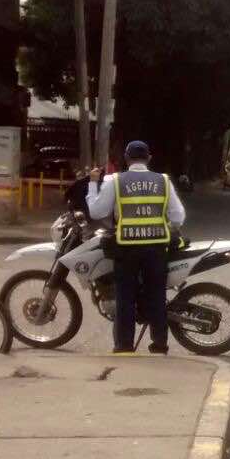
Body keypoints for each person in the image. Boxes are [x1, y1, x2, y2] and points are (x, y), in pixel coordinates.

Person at [86, 141, 186, 354]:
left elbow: (96, 212)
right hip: (156, 249)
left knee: (125, 298)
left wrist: (93, 183)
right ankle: (160, 344)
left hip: (126, 249)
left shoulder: (116, 181)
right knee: (157, 297)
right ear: (149, 158)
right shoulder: (163, 181)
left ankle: (124, 346)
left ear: (126, 157)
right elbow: (178, 217)